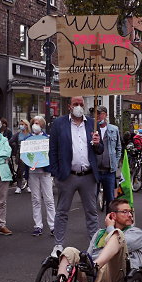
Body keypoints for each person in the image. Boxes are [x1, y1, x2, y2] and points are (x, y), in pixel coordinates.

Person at [48, 96, 103, 257]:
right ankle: (58, 245)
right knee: (62, 211)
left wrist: (98, 143)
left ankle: (94, 246)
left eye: (81, 104)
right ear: (69, 106)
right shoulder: (59, 124)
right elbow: (53, 150)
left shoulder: (92, 124)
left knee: (91, 212)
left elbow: (100, 150)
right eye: (75, 104)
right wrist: (56, 173)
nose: (79, 106)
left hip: (88, 176)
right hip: (67, 176)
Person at [56, 199, 142, 282]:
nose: (130, 215)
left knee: (118, 234)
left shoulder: (136, 233)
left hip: (115, 275)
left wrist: (110, 227)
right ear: (113, 215)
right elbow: (88, 256)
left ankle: (95, 267)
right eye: (125, 212)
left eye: (130, 211)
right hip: (92, 276)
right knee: (69, 251)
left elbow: (120, 241)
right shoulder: (99, 233)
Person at [25, 116, 55, 236]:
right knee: (35, 199)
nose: (35, 125)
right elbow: (25, 155)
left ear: (42, 125)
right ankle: (38, 225)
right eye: (34, 123)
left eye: (37, 123)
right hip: (33, 172)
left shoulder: (47, 139)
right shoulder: (28, 140)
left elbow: (52, 154)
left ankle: (53, 225)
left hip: (45, 172)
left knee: (49, 199)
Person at [95, 106, 122, 206]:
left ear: (105, 115)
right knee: (93, 197)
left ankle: (110, 219)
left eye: (100, 113)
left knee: (110, 198)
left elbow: (118, 148)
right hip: (96, 170)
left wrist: (115, 161)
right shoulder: (92, 129)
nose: (98, 116)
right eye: (96, 114)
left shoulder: (114, 129)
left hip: (109, 170)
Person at [10, 119, 32, 194]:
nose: (21, 126)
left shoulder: (31, 134)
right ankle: (18, 186)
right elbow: (11, 141)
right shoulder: (18, 134)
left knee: (29, 170)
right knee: (20, 170)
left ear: (26, 125)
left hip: (29, 155)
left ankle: (29, 185)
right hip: (21, 155)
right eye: (20, 124)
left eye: (22, 124)